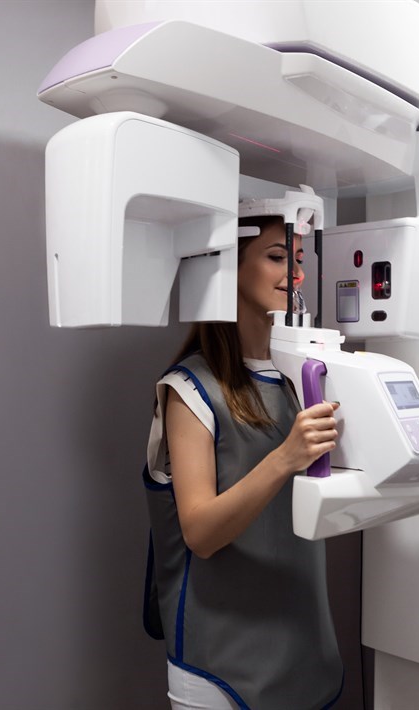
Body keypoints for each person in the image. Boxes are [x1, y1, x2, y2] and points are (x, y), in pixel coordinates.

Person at [142, 212, 344, 710]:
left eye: (299, 259)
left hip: (305, 646)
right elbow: (200, 533)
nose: (295, 273)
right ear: (228, 268)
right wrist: (285, 457)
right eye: (277, 257)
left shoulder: (304, 378)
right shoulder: (191, 389)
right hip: (221, 663)